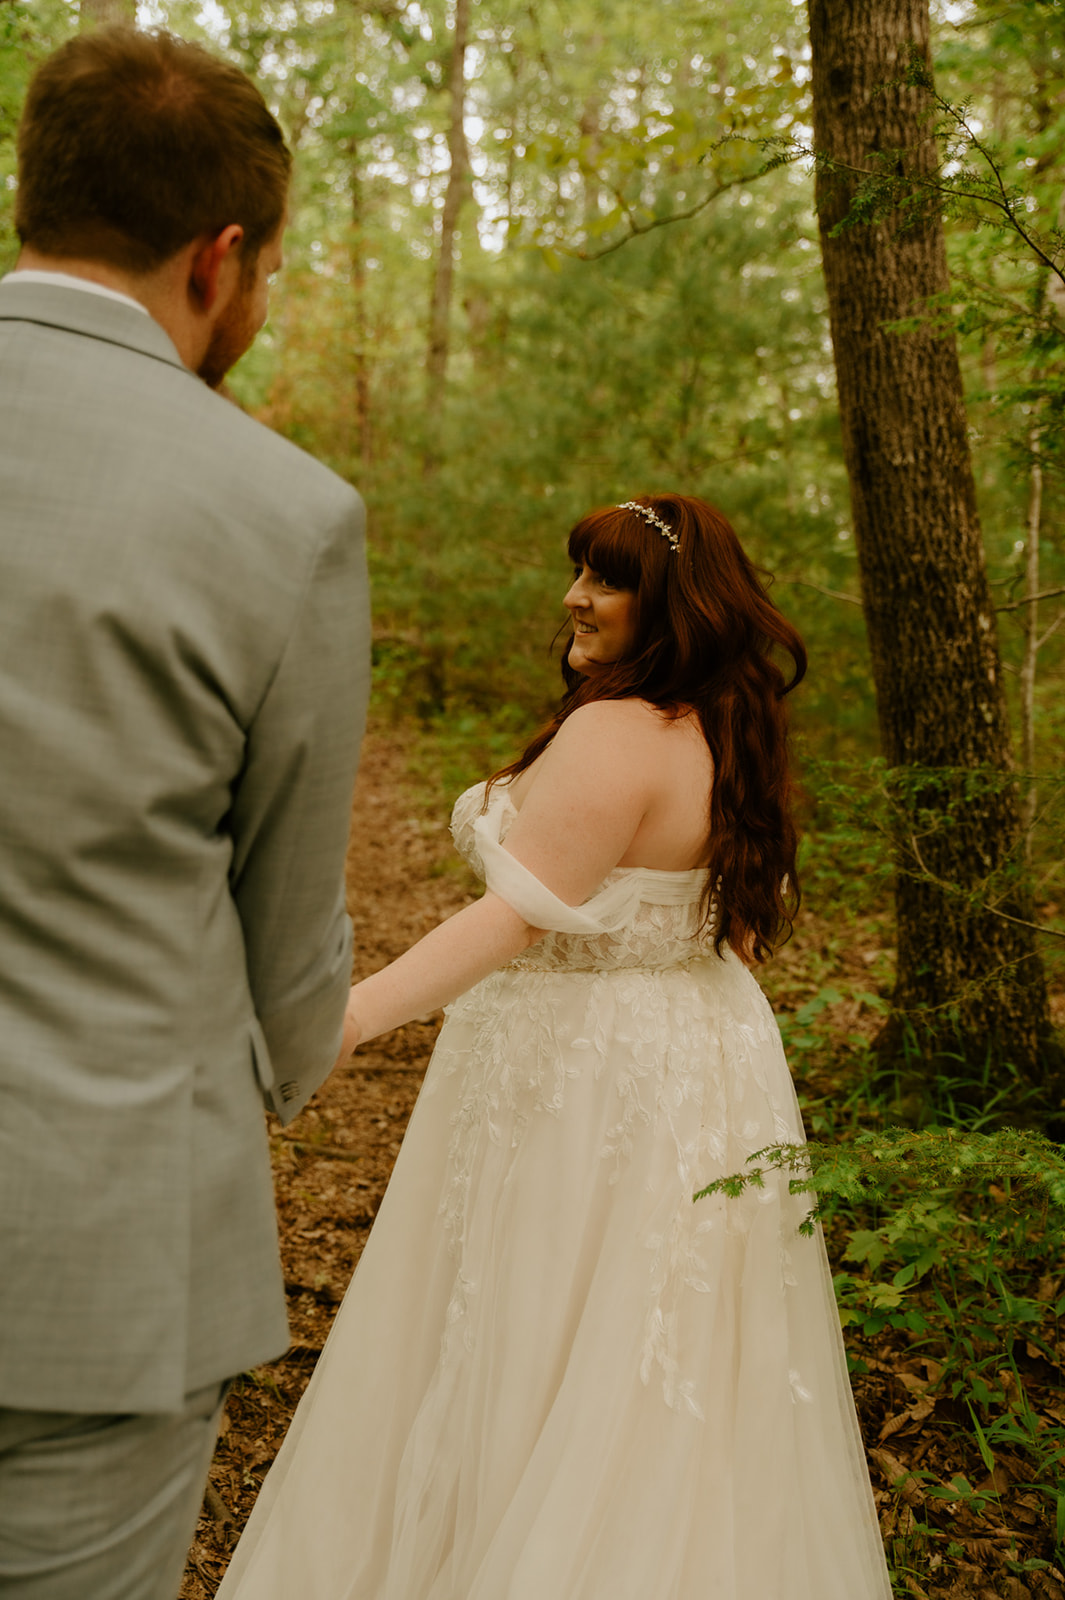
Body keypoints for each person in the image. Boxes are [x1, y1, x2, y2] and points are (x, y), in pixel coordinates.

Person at [217, 496, 892, 1600]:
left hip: (584, 1071)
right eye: (578, 569)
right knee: (651, 1370)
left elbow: (511, 919)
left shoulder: (615, 731)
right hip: (704, 1051)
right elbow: (738, 921)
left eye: (608, 579)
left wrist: (342, 1020)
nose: (576, 596)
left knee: (535, 1338)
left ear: (672, 601)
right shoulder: (730, 720)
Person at [0, 26, 369, 1600]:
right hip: (97, 1264)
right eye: (271, 271)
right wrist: (278, 1079)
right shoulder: (282, 516)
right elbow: (289, 953)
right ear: (219, 258)